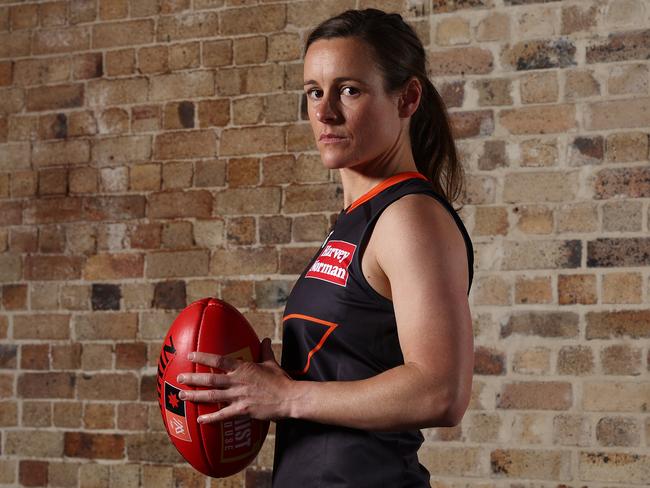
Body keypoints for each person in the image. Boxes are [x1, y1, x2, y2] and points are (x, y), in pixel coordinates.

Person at [176, 8, 475, 487]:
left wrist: (290, 398)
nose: (324, 111)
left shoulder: (409, 217)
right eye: (314, 91)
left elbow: (441, 390)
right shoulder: (358, 220)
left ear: (408, 97)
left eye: (349, 89)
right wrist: (270, 387)